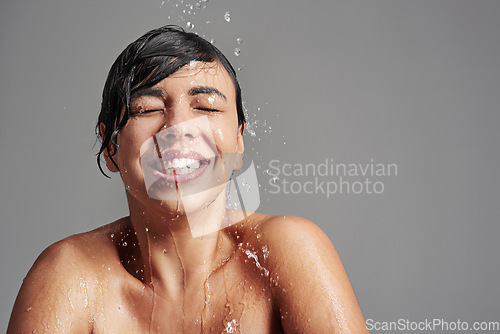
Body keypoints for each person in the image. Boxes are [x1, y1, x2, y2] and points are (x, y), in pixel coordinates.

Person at [8, 25, 368, 333]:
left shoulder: (284, 251)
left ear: (238, 139)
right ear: (110, 146)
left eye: (207, 107)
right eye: (146, 109)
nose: (178, 128)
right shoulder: (69, 274)